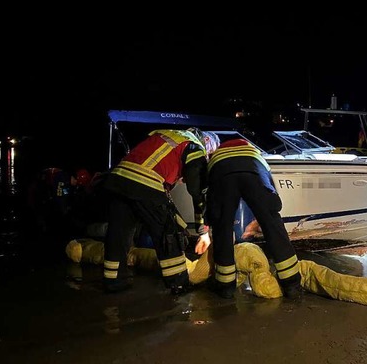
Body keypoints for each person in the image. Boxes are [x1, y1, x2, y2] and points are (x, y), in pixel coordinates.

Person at [101, 128, 220, 294]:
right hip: (145, 183)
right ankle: (178, 283)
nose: (207, 158)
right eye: (209, 154)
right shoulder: (194, 146)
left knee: (119, 233)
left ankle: (114, 279)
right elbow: (197, 190)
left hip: (118, 179)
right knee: (169, 233)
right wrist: (203, 230)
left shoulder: (169, 135)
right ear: (207, 142)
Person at [206, 137, 303, 300]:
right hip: (254, 171)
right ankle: (292, 284)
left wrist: (209, 221)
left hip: (222, 173)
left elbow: (209, 194)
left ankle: (225, 286)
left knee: (223, 226)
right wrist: (265, 214)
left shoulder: (215, 158)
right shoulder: (256, 154)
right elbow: (271, 193)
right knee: (272, 224)